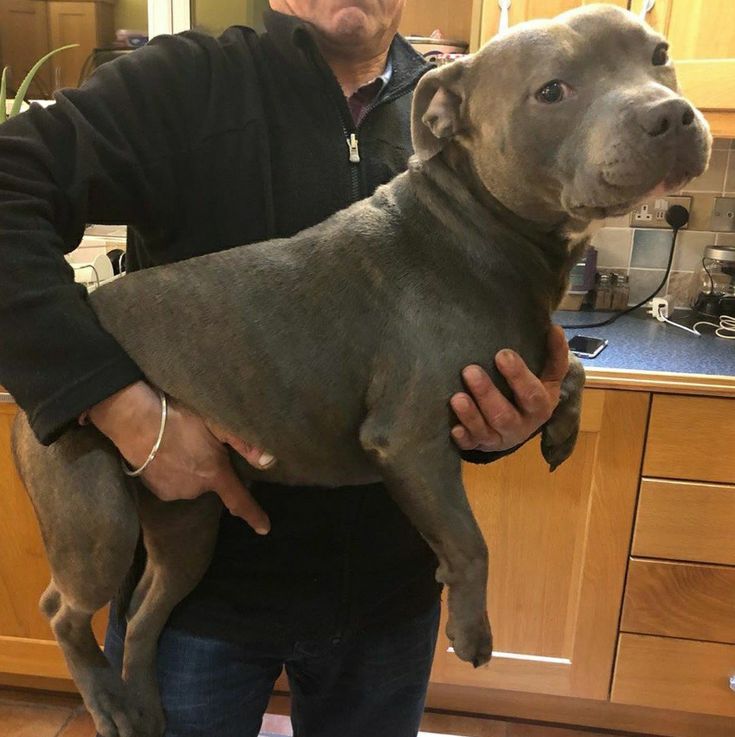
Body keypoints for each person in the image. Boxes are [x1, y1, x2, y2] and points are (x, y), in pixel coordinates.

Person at [0, 1, 570, 735]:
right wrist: (121, 406)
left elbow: (449, 366)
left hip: (388, 598)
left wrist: (499, 423)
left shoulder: (463, 110)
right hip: (202, 602)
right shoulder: (187, 83)